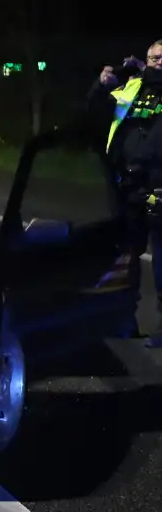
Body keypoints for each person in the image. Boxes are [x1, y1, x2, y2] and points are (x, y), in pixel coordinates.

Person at [89, 41, 162, 346]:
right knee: (126, 258)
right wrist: (100, 85)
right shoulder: (132, 89)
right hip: (128, 188)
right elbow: (95, 109)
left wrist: (148, 73)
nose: (158, 61)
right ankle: (123, 321)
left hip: (160, 186)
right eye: (153, 57)